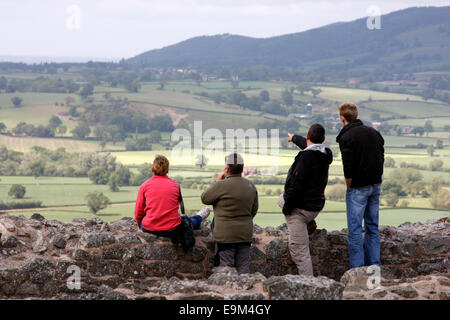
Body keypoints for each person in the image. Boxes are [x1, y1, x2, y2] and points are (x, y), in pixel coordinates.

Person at [336, 103, 385, 269]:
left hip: (358, 188)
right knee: (372, 227)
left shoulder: (346, 137)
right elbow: (381, 157)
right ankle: (374, 267)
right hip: (376, 184)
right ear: (356, 115)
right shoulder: (374, 133)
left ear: (342, 118)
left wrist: (350, 187)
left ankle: (357, 270)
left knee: (355, 231)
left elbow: (347, 168)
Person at [281, 124, 333, 276]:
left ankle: (309, 286)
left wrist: (287, 208)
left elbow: (297, 185)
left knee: (300, 253)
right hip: (315, 205)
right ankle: (308, 223)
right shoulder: (324, 154)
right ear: (323, 139)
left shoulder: (305, 158)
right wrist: (294, 138)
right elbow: (310, 146)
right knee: (280, 199)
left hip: (300, 208)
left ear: (308, 136)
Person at [201, 153, 258, 274]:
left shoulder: (221, 185)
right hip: (245, 234)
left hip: (225, 235)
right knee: (244, 268)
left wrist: (217, 182)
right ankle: (245, 291)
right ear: (242, 168)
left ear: (227, 169)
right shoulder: (250, 186)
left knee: (226, 270)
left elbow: (205, 198)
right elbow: (254, 210)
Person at [134, 155, 210, 240]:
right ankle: (199, 217)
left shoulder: (144, 186)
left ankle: (198, 217)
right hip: (172, 229)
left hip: (149, 228)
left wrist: (142, 226)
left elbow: (138, 212)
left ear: (153, 168)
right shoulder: (175, 185)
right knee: (189, 221)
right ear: (167, 169)